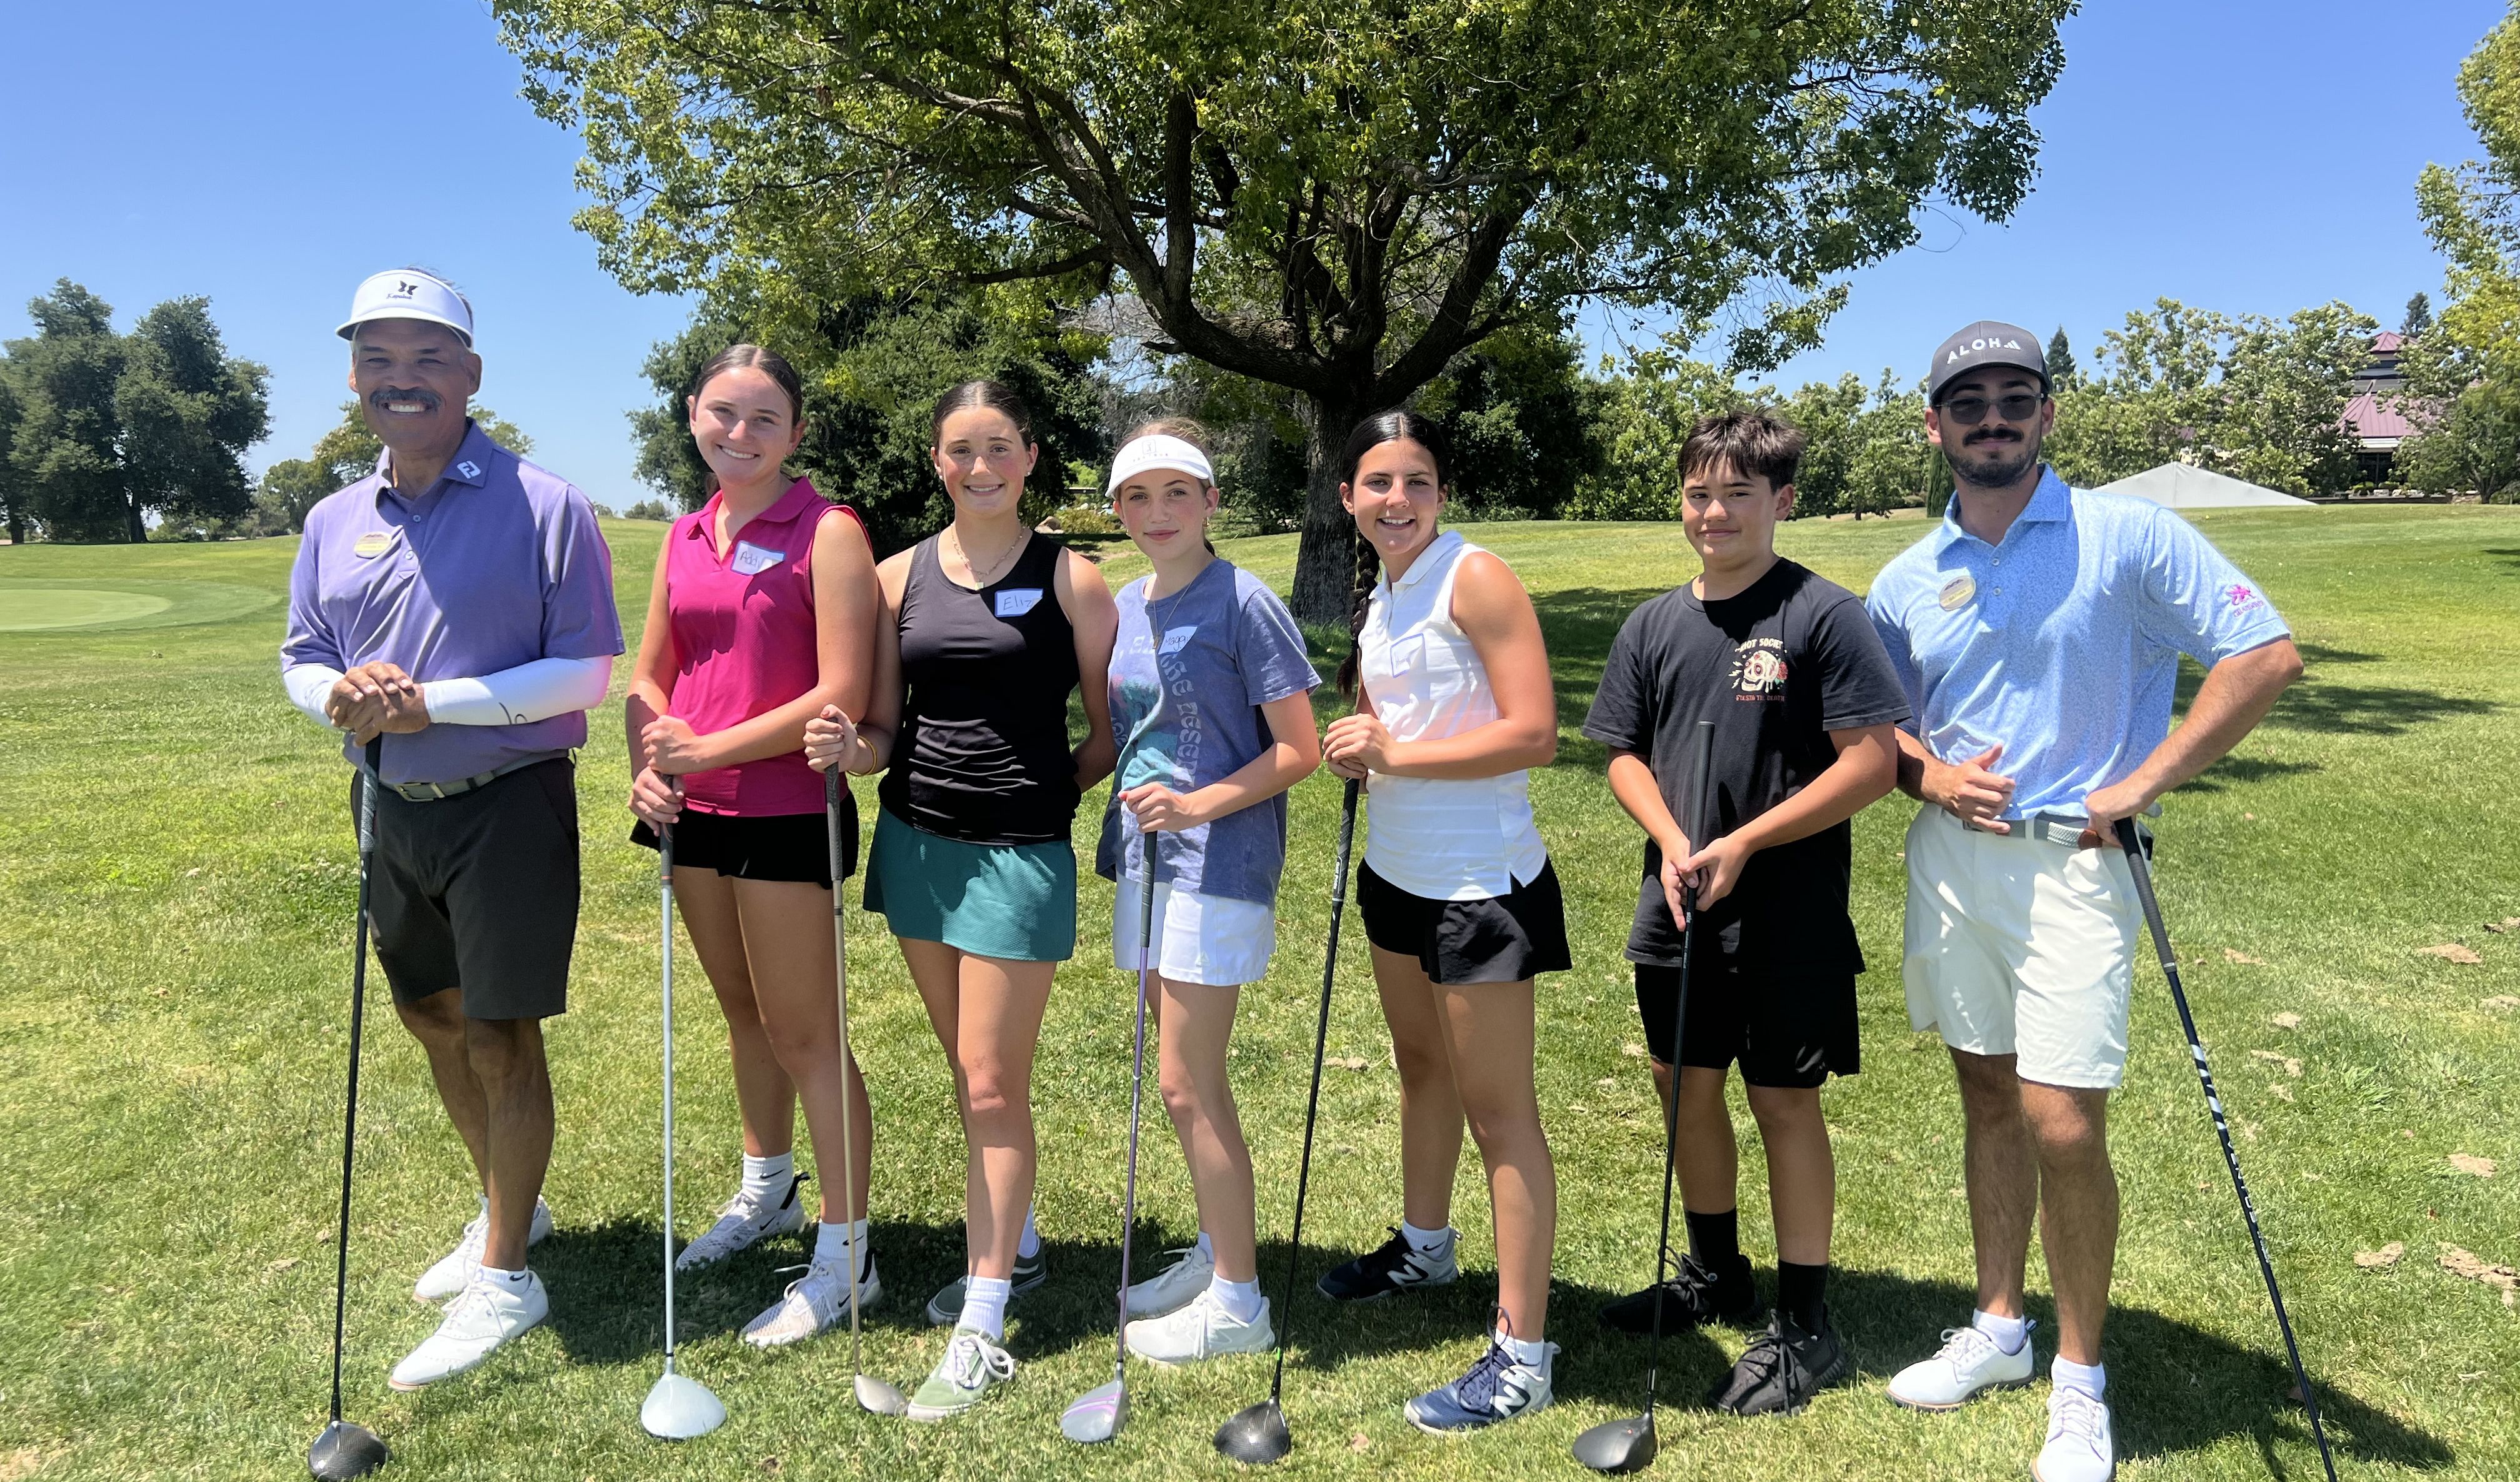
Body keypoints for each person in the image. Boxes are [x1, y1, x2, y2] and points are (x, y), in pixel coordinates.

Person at [1865, 322, 2302, 1482]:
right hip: (1954, 862)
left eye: (2016, 399)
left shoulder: (2129, 534)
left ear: (2048, 415)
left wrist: (2142, 781)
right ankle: (1999, 1325)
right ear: (1936, 426)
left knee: (2062, 1121)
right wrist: (1928, 773)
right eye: (1969, 403)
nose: (1993, 420)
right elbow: (1878, 727)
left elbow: (2262, 653)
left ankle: (2078, 1379)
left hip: (2076, 862)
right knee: (1987, 1097)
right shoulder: (1905, 577)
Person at [279, 268, 622, 1390]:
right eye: (379, 359)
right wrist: (339, 695)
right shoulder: (334, 517)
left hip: (507, 804)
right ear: (354, 381)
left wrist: (433, 704)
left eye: (427, 358)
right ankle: (506, 1210)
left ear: (470, 374)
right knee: (430, 1014)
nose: (403, 379)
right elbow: (303, 656)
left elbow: (583, 672)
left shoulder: (546, 503)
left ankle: (509, 1279)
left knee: (499, 1034)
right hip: (388, 806)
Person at [1580, 411, 1909, 1416]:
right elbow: (1622, 752)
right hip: (1678, 904)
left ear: (1782, 501)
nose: (1714, 513)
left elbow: (1872, 765)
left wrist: (1747, 843)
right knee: (1684, 1085)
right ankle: (1716, 1273)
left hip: (1788, 916)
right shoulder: (1652, 625)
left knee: (1783, 1100)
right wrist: (1676, 840)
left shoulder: (1822, 614)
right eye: (1698, 494)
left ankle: (1806, 1322)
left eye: (1736, 494)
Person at [804, 380, 1118, 1421]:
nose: (980, 467)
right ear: (936, 461)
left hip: (1020, 857)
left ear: (1030, 456)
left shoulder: (1073, 579)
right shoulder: (896, 577)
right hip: (918, 849)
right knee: (968, 1067)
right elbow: (882, 731)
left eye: (998, 447)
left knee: (989, 1084)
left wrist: (1042, 798)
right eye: (959, 450)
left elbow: (1107, 734)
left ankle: (982, 1323)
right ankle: (1015, 1245)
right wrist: (850, 749)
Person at [621, 344, 881, 1346]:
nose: (741, 433)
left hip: (785, 808)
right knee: (744, 1014)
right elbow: (652, 674)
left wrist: (704, 751)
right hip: (692, 814)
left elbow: (840, 691)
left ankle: (848, 1252)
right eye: (723, 414)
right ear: (693, 415)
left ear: (796, 433)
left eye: (765, 418)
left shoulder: (830, 532)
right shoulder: (685, 533)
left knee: (805, 1032)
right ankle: (768, 1189)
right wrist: (650, 765)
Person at [1315, 410, 1569, 1435]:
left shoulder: (1476, 576)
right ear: (1348, 497)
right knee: (1422, 1069)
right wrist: (1363, 745)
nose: (1398, 500)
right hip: (1398, 873)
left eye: (1416, 481)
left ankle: (1523, 1355)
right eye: (1378, 483)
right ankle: (1425, 1248)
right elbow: (1408, 718)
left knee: (1500, 1113)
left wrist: (1395, 755)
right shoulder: (1386, 591)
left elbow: (1537, 732)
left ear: (1442, 494)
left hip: (1479, 886)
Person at [1084, 420, 1323, 1365]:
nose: (1158, 513)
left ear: (1212, 502)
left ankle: (1238, 1303)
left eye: (1177, 493)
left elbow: (1299, 749)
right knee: (1182, 1078)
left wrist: (1195, 806)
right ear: (1118, 511)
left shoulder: (1246, 601)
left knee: (1188, 1081)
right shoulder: (1128, 601)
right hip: (1147, 861)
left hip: (1217, 864)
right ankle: (1216, 1253)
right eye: (1138, 498)